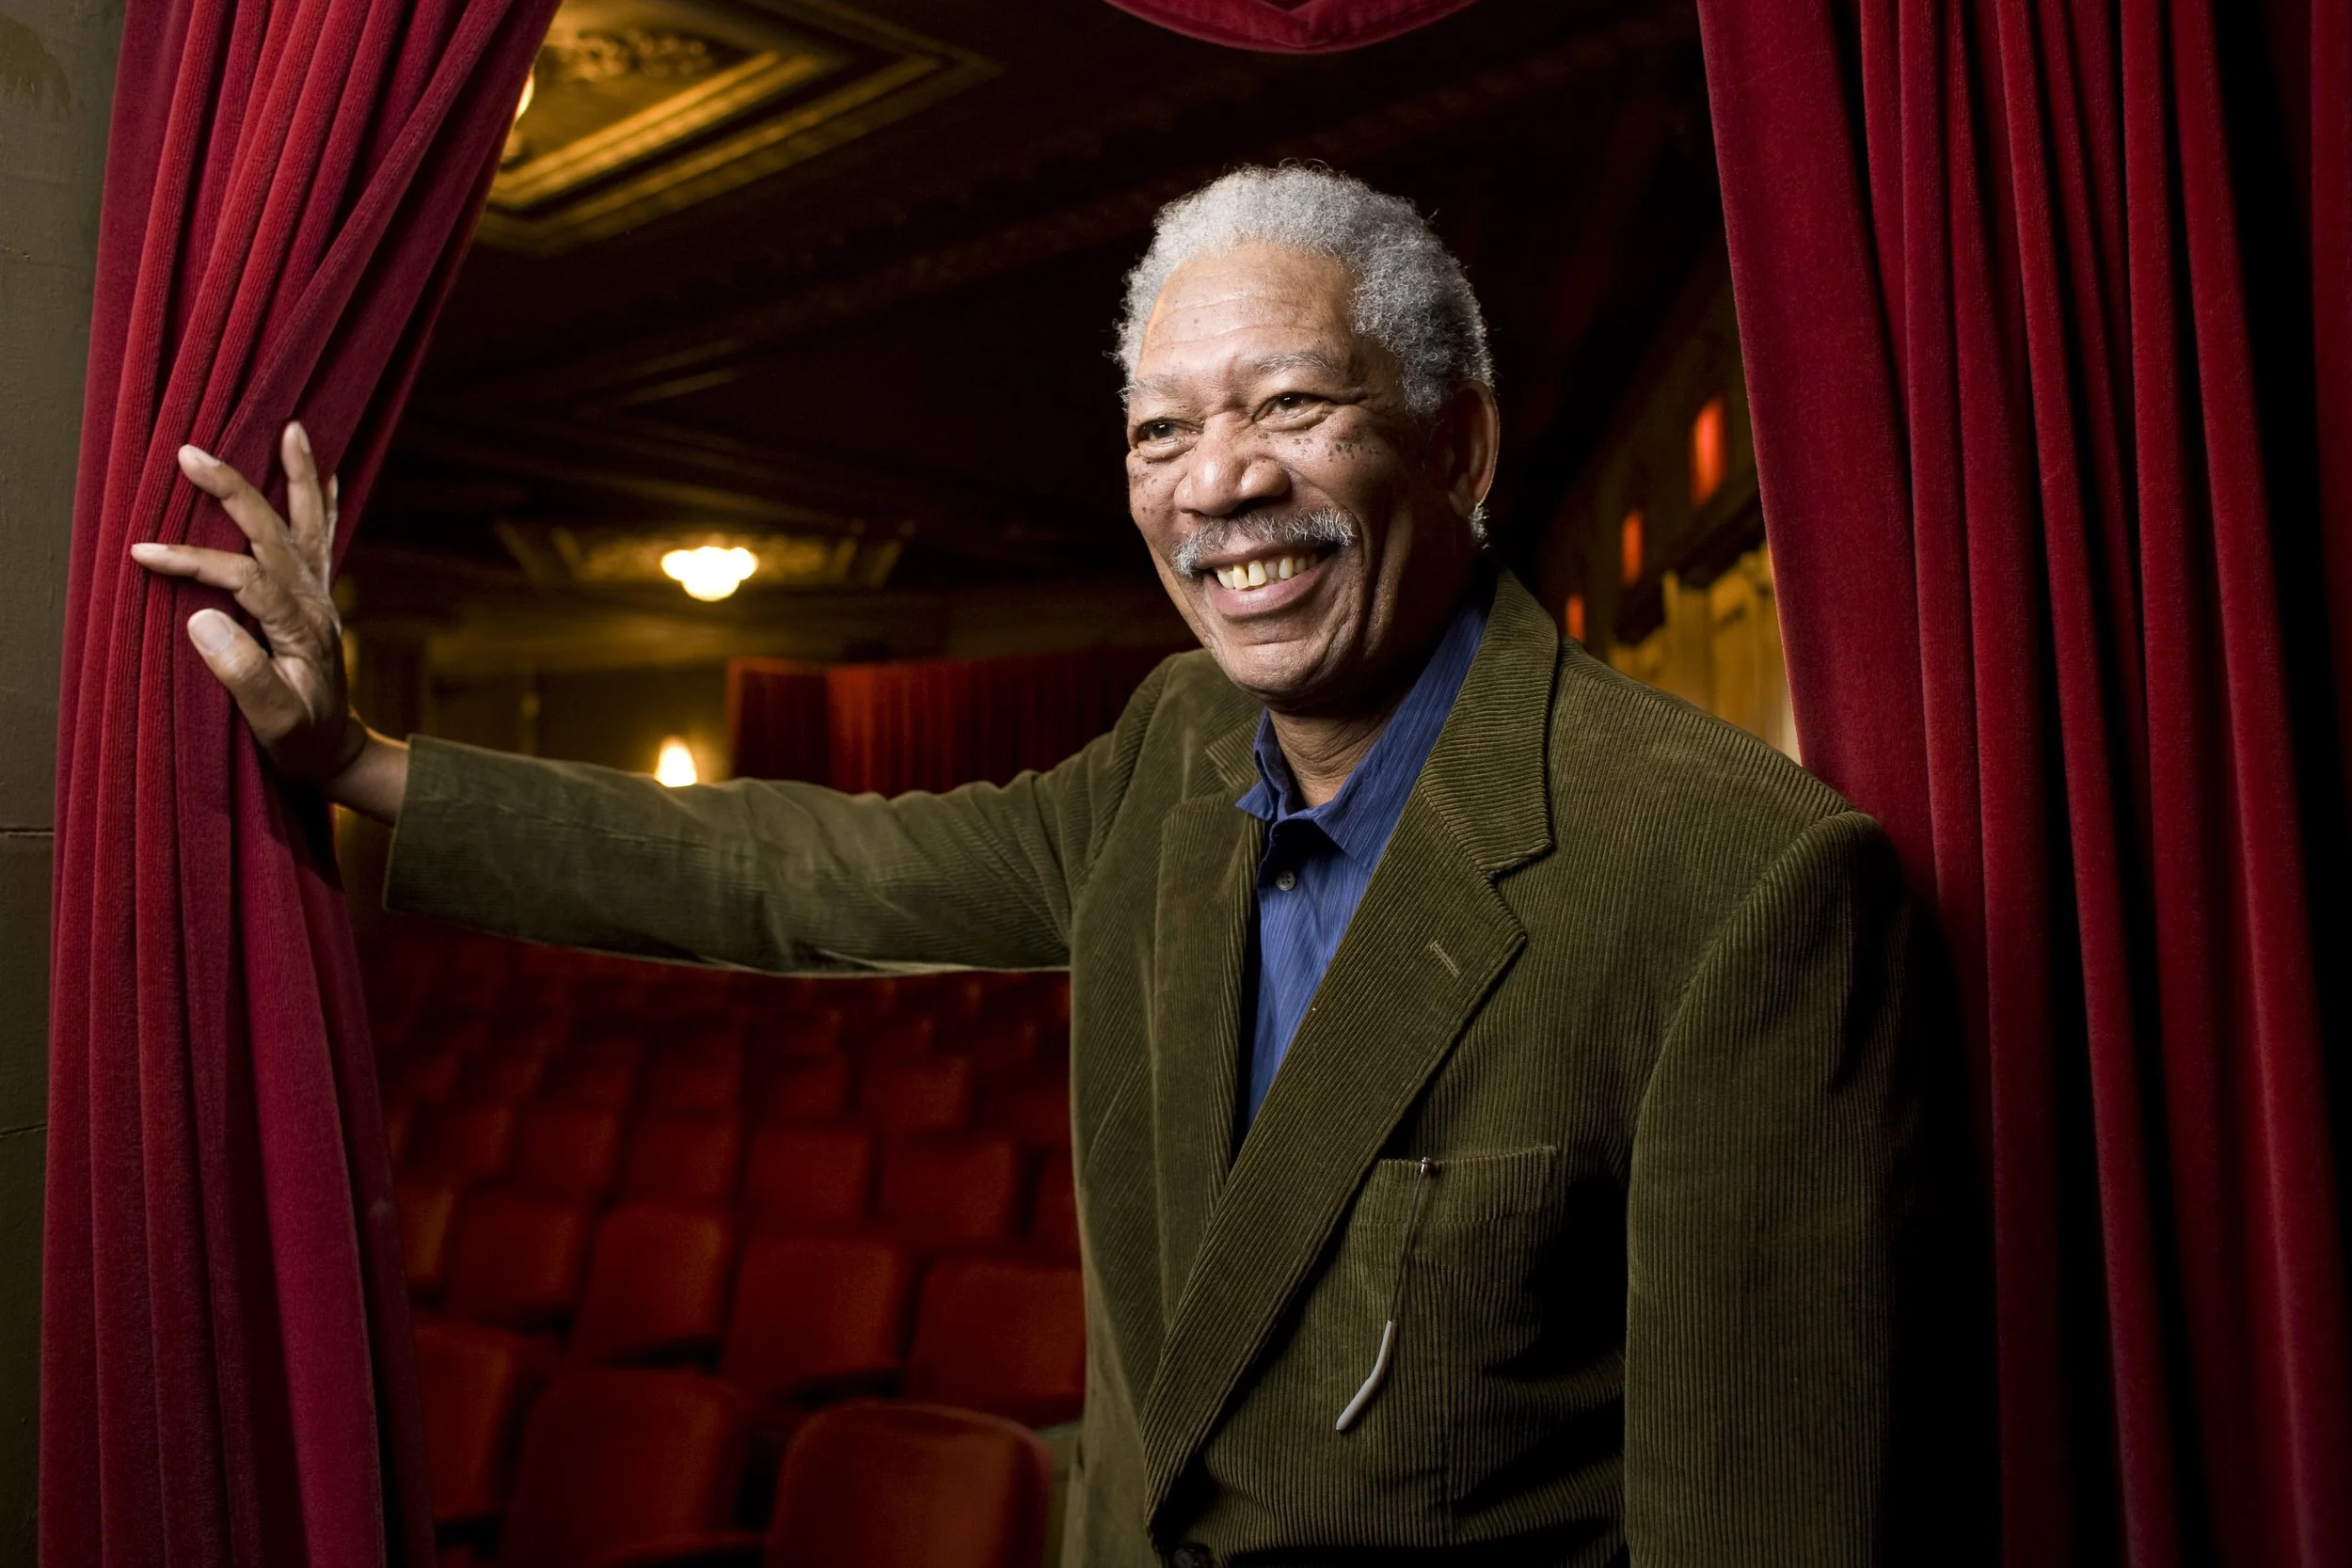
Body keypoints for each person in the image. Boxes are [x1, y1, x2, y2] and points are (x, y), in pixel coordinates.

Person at [135, 166, 1920, 1566]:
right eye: (1161, 431)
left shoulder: (1738, 886)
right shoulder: (1163, 750)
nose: (1218, 483)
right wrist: (357, 761)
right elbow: (793, 876)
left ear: (1457, 444)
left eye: (1292, 404)